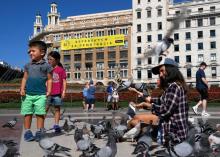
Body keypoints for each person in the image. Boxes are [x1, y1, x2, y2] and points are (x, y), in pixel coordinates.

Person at [142, 58, 189, 145]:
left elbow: (166, 110)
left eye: (162, 71)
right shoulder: (173, 86)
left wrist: (150, 106)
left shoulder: (174, 87)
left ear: (171, 70)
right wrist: (150, 99)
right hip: (175, 132)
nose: (160, 74)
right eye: (159, 72)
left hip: (175, 134)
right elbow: (162, 100)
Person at [20, 40, 52, 142]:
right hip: (28, 95)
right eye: (29, 51)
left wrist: (49, 90)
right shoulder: (27, 66)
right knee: (27, 113)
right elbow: (24, 78)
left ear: (42, 53)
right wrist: (22, 88)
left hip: (41, 95)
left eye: (33, 51)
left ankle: (39, 131)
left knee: (40, 114)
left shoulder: (46, 66)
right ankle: (27, 132)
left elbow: (50, 79)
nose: (30, 53)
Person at [45, 51, 67, 133]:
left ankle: (56, 125)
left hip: (57, 93)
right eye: (48, 59)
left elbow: (64, 81)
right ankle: (41, 126)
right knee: (44, 109)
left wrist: (64, 91)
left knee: (57, 109)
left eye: (51, 59)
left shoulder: (61, 70)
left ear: (57, 60)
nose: (49, 61)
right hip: (48, 93)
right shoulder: (47, 69)